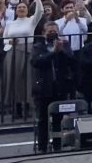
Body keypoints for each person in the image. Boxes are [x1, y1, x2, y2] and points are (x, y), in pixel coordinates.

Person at [30, 20, 77, 152]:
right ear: (44, 33)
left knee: (58, 119)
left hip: (59, 88)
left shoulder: (65, 44)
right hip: (43, 88)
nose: (52, 33)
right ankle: (42, 147)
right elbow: (36, 62)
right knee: (43, 120)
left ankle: (57, 146)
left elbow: (72, 62)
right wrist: (53, 52)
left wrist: (60, 51)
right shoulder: (38, 46)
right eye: (49, 31)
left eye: (54, 31)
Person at [1, 0, 44, 119]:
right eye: (19, 7)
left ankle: (27, 106)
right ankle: (17, 107)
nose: (21, 8)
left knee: (27, 79)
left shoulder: (31, 20)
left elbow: (40, 11)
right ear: (15, 10)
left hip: (28, 51)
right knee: (15, 80)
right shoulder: (10, 23)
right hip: (13, 53)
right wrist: (11, 42)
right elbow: (4, 40)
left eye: (24, 7)